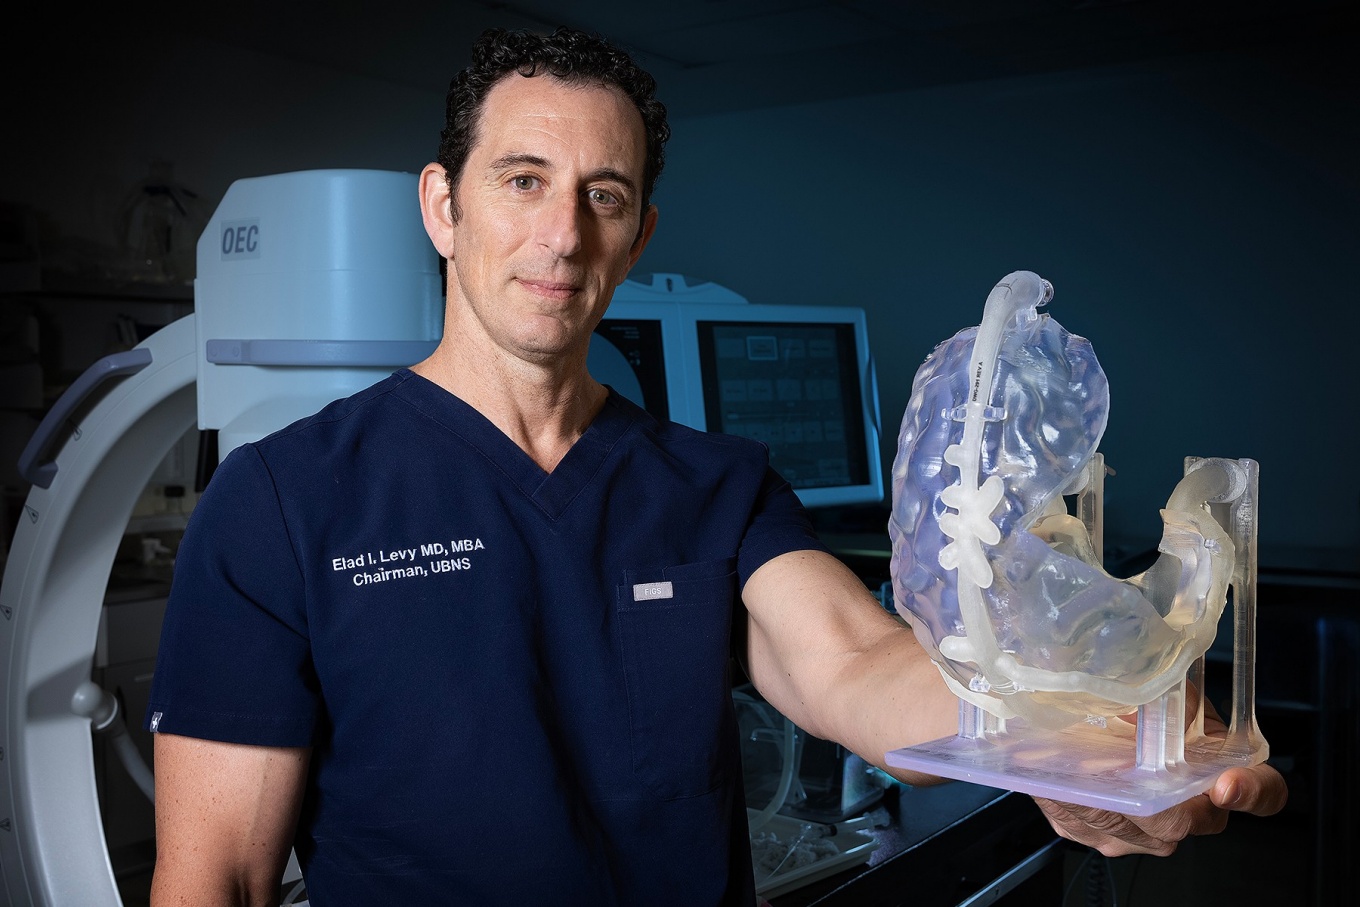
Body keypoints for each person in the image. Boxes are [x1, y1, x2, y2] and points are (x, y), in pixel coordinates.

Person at [145, 25, 1288, 906]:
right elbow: (216, 882)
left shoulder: (710, 487)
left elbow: (856, 664)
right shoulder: (285, 501)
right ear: (443, 206)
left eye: (604, 196)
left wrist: (1076, 738)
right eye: (522, 179)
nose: (562, 235)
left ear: (638, 233)